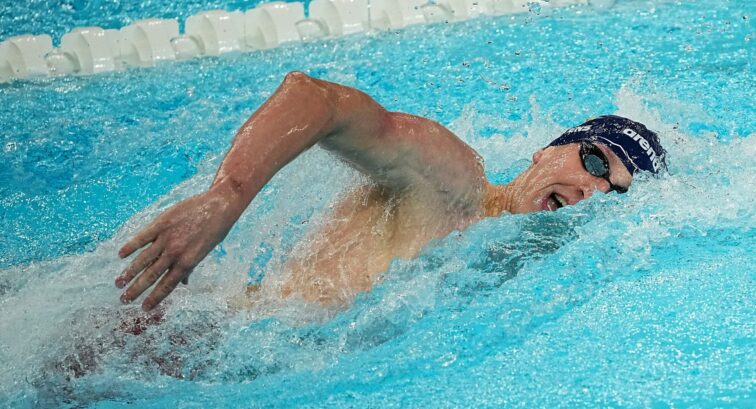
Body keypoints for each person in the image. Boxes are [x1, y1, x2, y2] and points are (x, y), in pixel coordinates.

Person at [115, 72, 667, 311]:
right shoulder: (453, 182)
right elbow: (317, 100)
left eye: (613, 191)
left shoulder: (513, 274)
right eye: (595, 159)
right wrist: (226, 196)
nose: (593, 189)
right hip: (166, 327)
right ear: (545, 151)